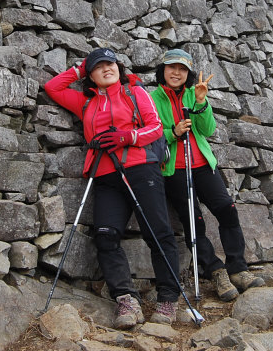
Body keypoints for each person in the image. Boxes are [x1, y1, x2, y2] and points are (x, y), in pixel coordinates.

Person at [44, 48, 182, 328]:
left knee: (158, 234)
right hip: (105, 176)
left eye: (111, 63)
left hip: (142, 169)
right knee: (106, 237)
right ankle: (125, 299)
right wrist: (82, 67)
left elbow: (155, 128)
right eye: (99, 66)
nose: (107, 68)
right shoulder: (85, 102)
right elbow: (52, 87)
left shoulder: (135, 93)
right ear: (91, 76)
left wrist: (127, 136)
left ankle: (168, 299)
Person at [149, 48, 265, 301]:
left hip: (202, 165)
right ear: (163, 70)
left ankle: (238, 268)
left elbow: (208, 129)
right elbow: (151, 135)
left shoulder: (194, 93)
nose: (176, 73)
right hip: (174, 170)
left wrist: (201, 102)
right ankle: (215, 271)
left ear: (188, 74)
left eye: (182, 69)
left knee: (226, 209)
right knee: (194, 222)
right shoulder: (152, 98)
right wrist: (174, 132)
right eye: (172, 68)